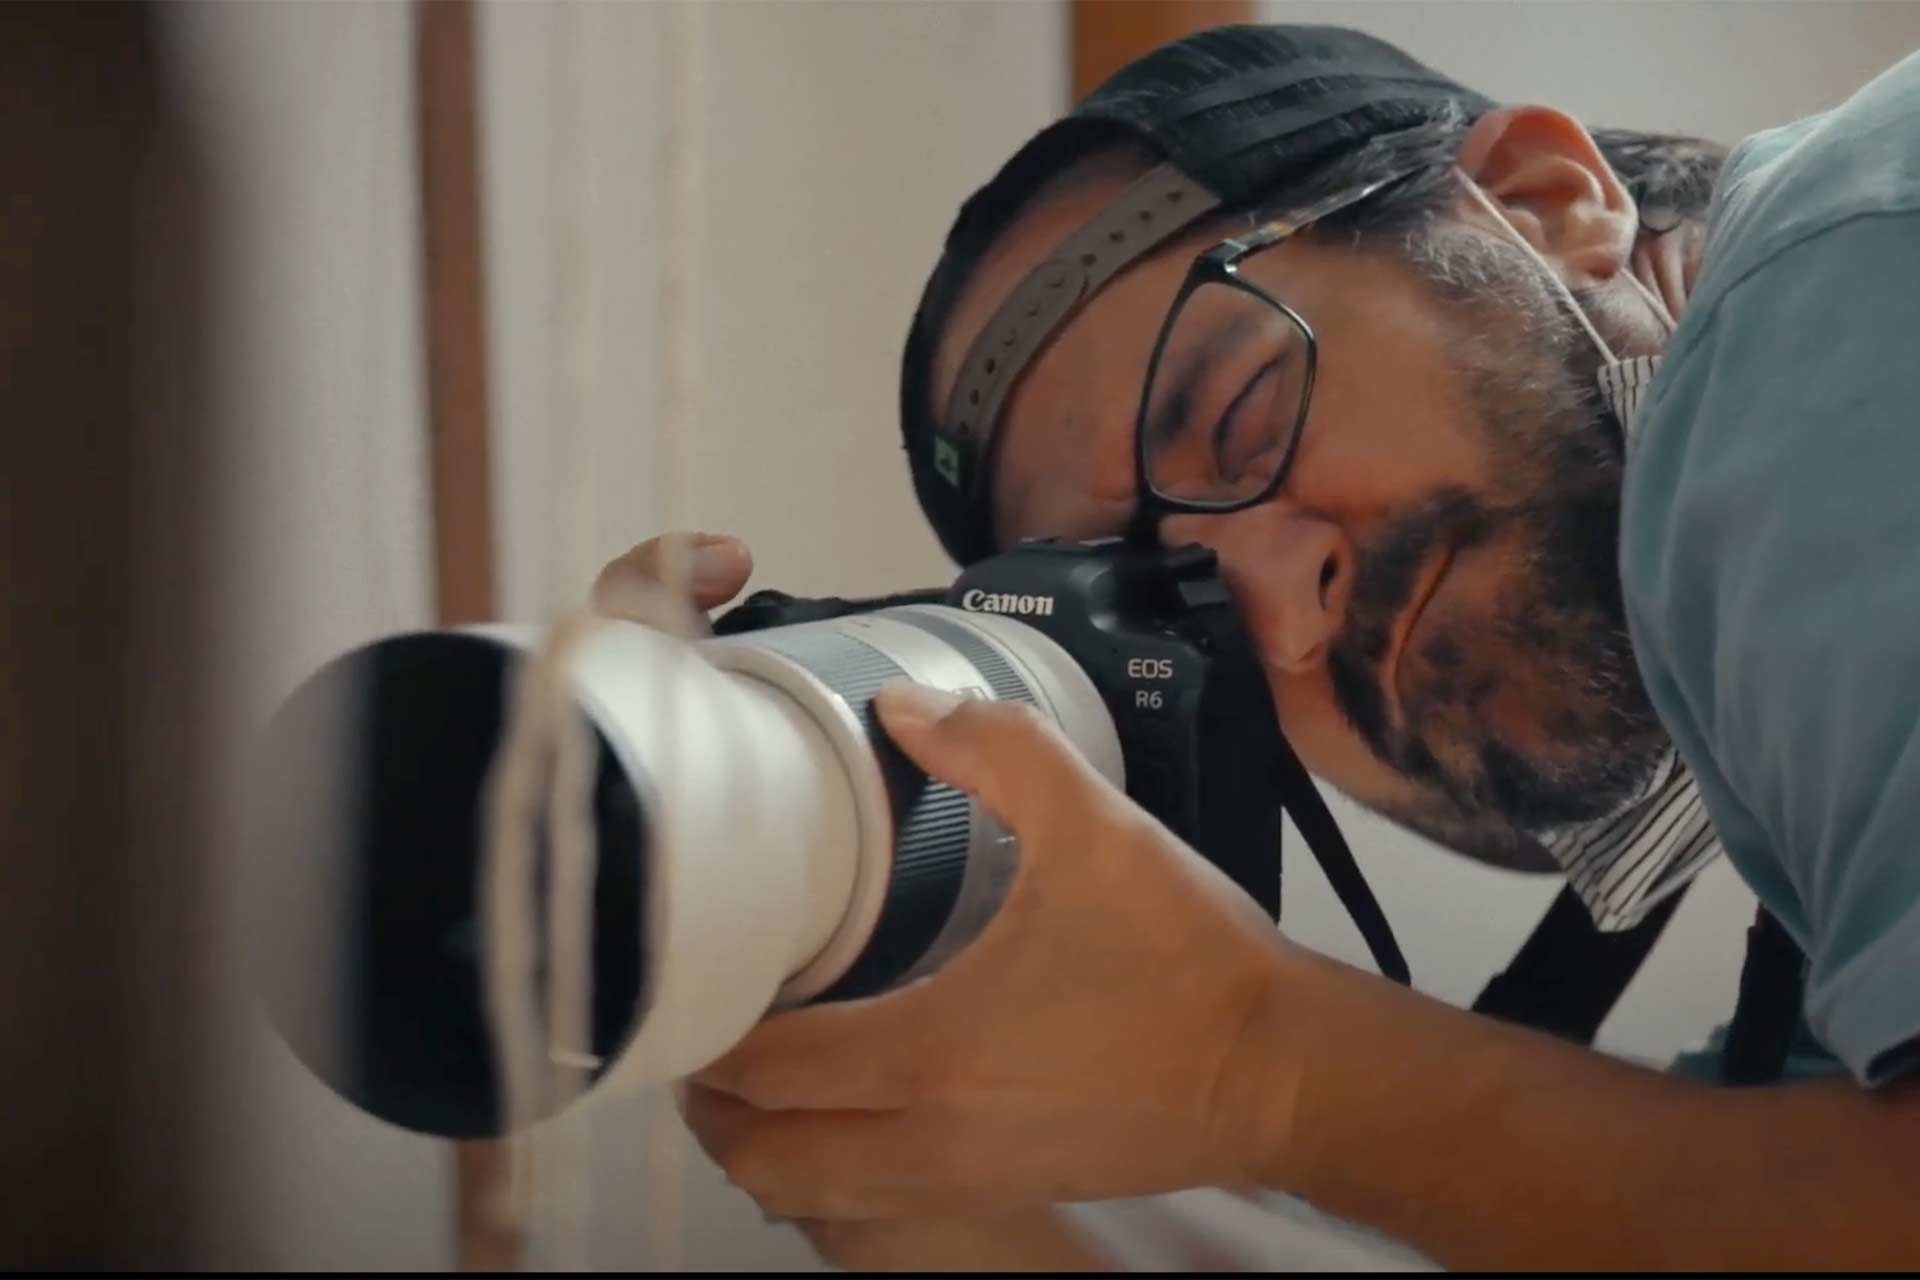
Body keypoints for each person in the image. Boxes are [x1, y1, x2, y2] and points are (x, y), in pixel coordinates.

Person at [594, 24, 1920, 1270]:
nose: (1283, 619)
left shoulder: (1814, 297)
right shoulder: (1814, 893)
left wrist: (1269, 1067)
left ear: (1542, 201)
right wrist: (856, 1070)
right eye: (1191, 606)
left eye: (1238, 416)